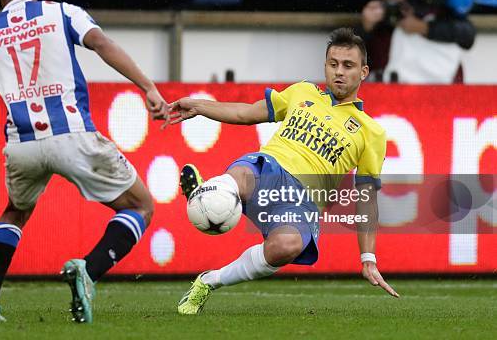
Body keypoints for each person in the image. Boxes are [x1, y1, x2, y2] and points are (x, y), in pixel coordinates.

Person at [0, 0, 167, 323]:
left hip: (21, 145)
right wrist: (147, 86)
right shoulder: (62, 12)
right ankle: (90, 269)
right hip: (72, 136)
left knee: (15, 211)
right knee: (140, 206)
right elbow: (102, 44)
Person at [169, 28, 399, 315]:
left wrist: (368, 257)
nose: (339, 72)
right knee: (241, 177)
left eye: (348, 66)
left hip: (302, 200)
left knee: (287, 246)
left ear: (364, 72)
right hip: (269, 168)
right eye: (333, 64)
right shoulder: (303, 92)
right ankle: (211, 193)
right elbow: (245, 114)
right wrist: (200, 106)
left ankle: (208, 281)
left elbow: (366, 198)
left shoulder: (371, 132)